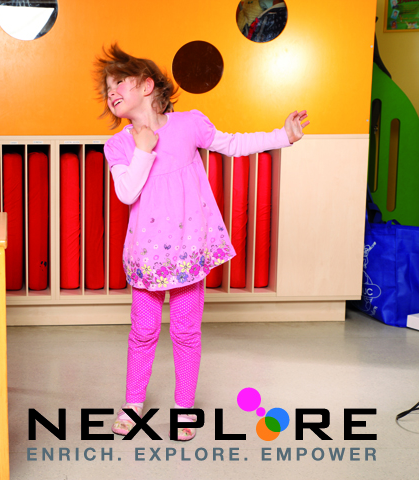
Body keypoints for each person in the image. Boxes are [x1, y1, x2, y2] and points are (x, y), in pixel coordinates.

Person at [94, 45, 309, 441]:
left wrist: (284, 136)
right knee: (143, 333)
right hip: (147, 258)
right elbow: (126, 193)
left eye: (119, 82)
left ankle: (184, 407)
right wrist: (143, 150)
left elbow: (233, 144)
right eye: (107, 88)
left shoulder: (188, 124)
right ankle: (133, 403)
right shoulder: (119, 145)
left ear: (147, 85)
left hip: (189, 254)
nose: (111, 92)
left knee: (186, 332)